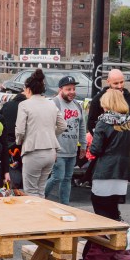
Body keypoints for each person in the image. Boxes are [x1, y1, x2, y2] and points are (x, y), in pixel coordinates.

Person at [15, 69, 66, 197]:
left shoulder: (24, 105)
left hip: (33, 150)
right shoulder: (51, 104)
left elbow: (20, 131)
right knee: (40, 190)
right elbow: (63, 125)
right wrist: (49, 133)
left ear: (28, 89)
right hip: (50, 151)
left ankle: (34, 217)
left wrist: (19, 141)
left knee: (30, 191)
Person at [89, 90, 130, 221]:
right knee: (113, 210)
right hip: (122, 171)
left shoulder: (103, 122)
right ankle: (118, 239)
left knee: (100, 209)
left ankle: (102, 240)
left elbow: (95, 149)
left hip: (105, 170)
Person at [44, 76, 87, 205]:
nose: (72, 92)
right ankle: (40, 198)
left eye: (73, 89)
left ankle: (65, 205)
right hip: (58, 149)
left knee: (67, 178)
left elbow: (82, 127)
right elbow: (48, 127)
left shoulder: (77, 106)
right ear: (60, 89)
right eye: (68, 89)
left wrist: (83, 146)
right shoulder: (54, 103)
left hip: (72, 150)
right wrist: (52, 148)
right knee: (57, 177)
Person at [87, 68, 130, 133]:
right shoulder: (97, 100)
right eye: (116, 83)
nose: (119, 86)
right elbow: (91, 124)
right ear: (108, 82)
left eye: (121, 82)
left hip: (127, 140)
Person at [0, 92, 26, 190]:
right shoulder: (24, 107)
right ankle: (18, 184)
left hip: (7, 139)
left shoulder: (7, 105)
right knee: (19, 164)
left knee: (9, 163)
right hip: (19, 140)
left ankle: (10, 183)